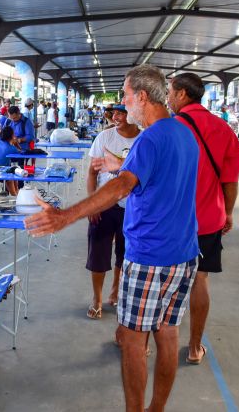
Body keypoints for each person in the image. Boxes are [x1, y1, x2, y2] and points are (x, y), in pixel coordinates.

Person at [25, 64, 199, 412]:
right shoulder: (183, 134)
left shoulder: (149, 138)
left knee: (133, 343)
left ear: (142, 97)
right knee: (168, 334)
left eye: (125, 95)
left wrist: (65, 216)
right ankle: (156, 408)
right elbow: (153, 176)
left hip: (150, 257)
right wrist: (117, 164)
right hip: (184, 254)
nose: (123, 102)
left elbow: (122, 186)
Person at [167, 73, 239, 366]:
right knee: (200, 279)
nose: (169, 98)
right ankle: (195, 347)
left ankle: (146, 343)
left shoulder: (169, 128)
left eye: (171, 92)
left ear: (184, 94)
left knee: (161, 279)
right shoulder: (223, 129)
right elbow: (230, 181)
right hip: (208, 220)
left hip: (171, 220)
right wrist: (229, 212)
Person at [84, 104, 139, 320]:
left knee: (126, 255)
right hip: (105, 204)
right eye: (114, 113)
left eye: (122, 112)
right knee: (98, 253)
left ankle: (116, 291)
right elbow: (91, 173)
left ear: (133, 114)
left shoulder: (144, 140)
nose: (116, 116)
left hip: (134, 208)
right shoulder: (104, 138)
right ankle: (97, 299)